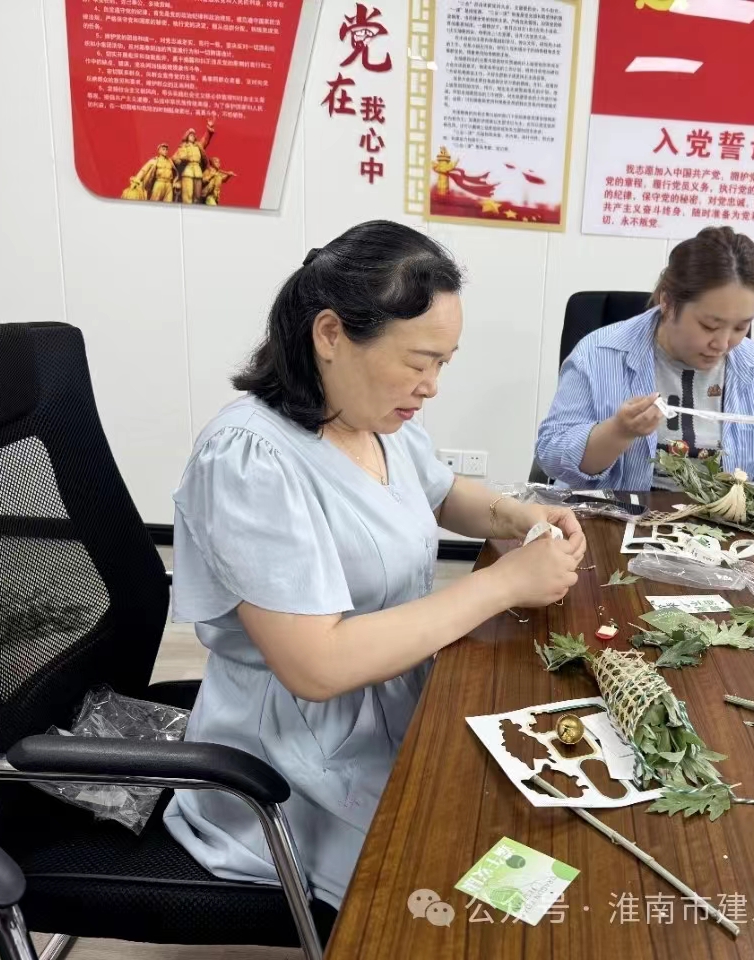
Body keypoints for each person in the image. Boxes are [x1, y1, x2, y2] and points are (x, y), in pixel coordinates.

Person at [164, 220, 586, 911]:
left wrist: (516, 516)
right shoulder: (249, 461)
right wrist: (503, 583)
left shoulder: (374, 420)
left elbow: (440, 492)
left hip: (393, 700)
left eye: (443, 364)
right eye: (419, 362)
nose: (431, 386)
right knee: (488, 887)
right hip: (293, 758)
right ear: (330, 334)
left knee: (541, 818)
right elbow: (318, 666)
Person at [535, 226, 754, 492]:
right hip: (616, 526)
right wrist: (618, 432)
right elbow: (552, 456)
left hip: (722, 536)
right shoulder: (601, 354)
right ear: (667, 302)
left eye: (741, 327)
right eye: (709, 326)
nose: (723, 344)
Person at [173, 122, 215, 203]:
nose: (192, 136)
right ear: (187, 136)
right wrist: (181, 162)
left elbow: (205, 140)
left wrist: (209, 129)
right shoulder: (182, 147)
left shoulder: (198, 146)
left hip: (198, 172)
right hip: (187, 172)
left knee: (197, 197)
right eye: (190, 135)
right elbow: (174, 158)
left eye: (193, 135)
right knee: (187, 196)